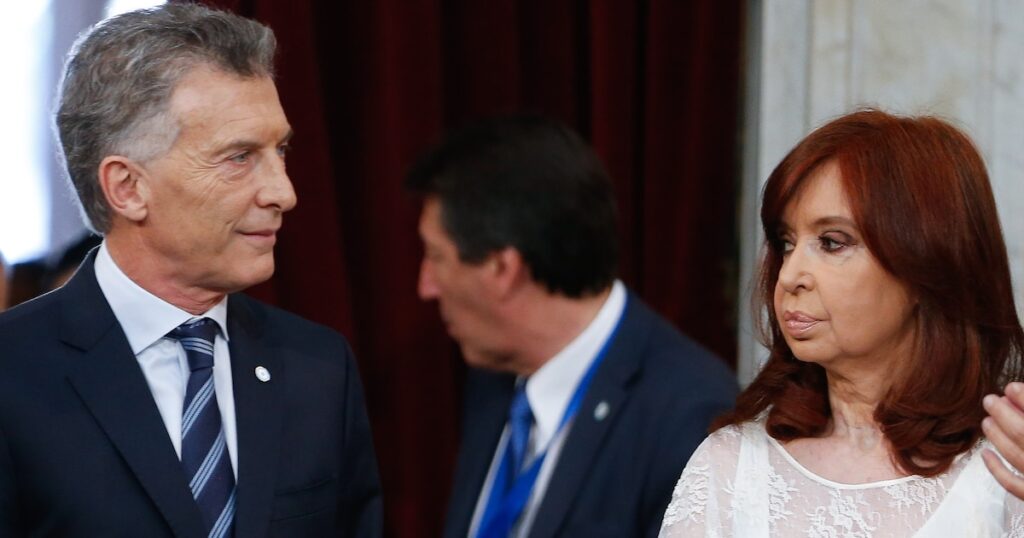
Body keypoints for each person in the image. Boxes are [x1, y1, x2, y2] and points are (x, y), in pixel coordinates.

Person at [0, 5, 381, 537]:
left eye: (280, 150)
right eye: (239, 157)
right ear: (128, 188)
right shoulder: (12, 372)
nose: (284, 192)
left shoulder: (318, 366)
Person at [658, 109, 1024, 537]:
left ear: (927, 265)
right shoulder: (732, 467)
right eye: (786, 243)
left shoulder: (1005, 474)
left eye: (832, 243)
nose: (790, 275)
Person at [406, 115, 738, 538]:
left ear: (503, 268)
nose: (426, 287)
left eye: (436, 257)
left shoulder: (691, 420)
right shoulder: (493, 371)